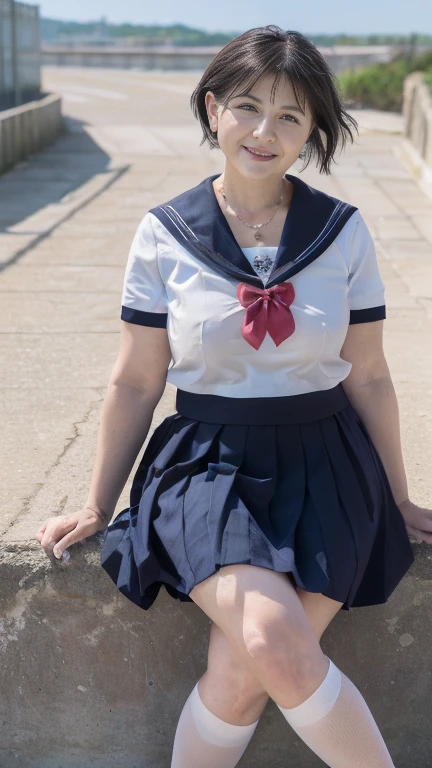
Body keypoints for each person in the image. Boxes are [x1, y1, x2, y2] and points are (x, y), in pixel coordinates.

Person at [35, 25, 432, 768]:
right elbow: (135, 379)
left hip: (328, 463)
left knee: (240, 671)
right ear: (212, 108)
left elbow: (370, 375)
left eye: (290, 115)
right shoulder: (165, 234)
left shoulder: (342, 233)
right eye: (247, 106)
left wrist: (402, 498)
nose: (264, 131)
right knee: (269, 639)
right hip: (207, 467)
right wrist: (98, 503)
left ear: (313, 129)